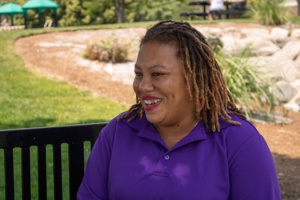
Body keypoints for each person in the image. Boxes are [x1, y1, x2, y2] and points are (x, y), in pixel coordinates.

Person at [77, 20, 281, 200]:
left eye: (157, 74)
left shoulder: (239, 141)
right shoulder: (118, 132)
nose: (142, 86)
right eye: (139, 74)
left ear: (195, 80)